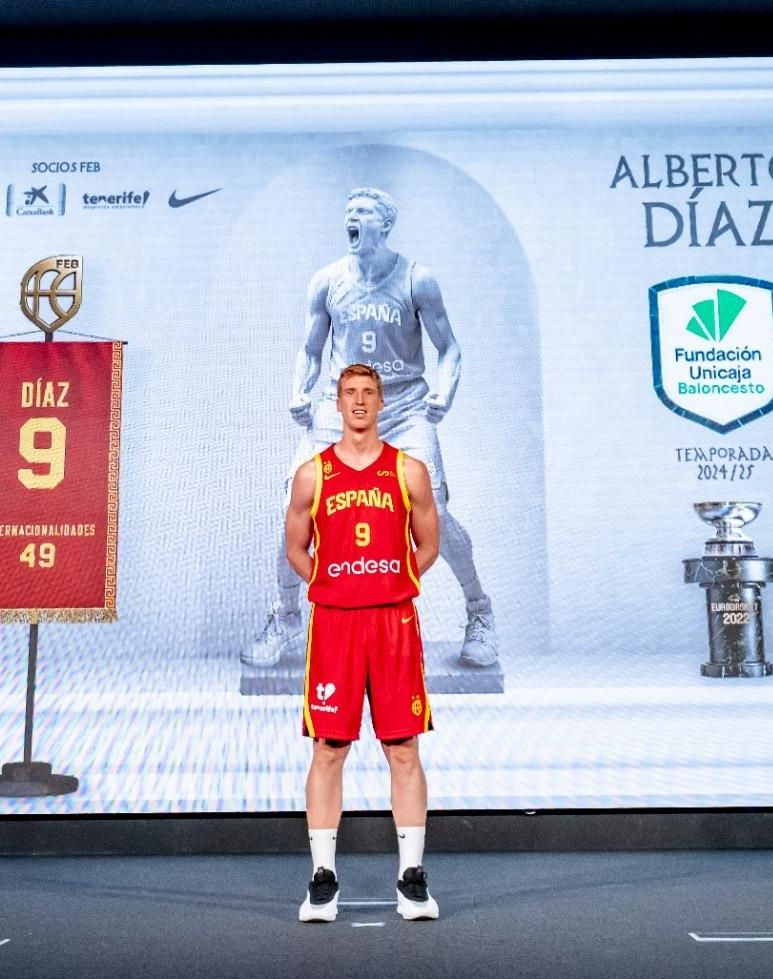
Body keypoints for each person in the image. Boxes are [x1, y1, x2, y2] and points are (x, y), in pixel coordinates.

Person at [246, 187, 499, 670]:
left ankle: (479, 611)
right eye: (348, 212)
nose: (351, 218)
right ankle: (285, 615)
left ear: (384, 225)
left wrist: (445, 391)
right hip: (338, 405)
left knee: (435, 513)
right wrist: (299, 392)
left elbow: (450, 349)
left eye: (361, 212)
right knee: (294, 510)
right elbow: (311, 348)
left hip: (402, 406)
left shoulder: (417, 280)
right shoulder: (326, 280)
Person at [290, 363, 441, 923]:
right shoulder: (313, 474)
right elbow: (295, 548)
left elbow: (427, 544)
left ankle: (411, 879)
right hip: (335, 625)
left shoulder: (409, 471)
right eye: (349, 393)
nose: (358, 402)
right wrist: (331, 585)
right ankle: (323, 878)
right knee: (329, 749)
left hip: (393, 624)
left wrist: (391, 582)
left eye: (368, 393)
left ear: (381, 403)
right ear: (337, 403)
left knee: (403, 747)